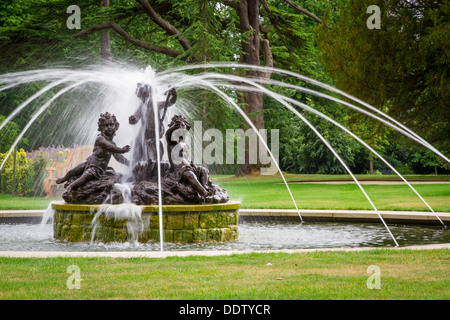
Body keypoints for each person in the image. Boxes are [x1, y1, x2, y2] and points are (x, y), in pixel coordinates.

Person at [56, 112, 131, 193]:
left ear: (116, 126)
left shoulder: (113, 144)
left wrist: (130, 163)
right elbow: (109, 147)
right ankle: (64, 178)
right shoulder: (100, 139)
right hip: (90, 161)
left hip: (97, 168)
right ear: (101, 127)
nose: (109, 127)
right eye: (106, 125)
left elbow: (119, 158)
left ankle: (71, 186)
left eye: (111, 125)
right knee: (74, 170)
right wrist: (122, 150)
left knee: (86, 176)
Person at [129, 83, 177, 163]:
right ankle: (136, 162)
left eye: (145, 96)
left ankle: (154, 161)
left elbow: (170, 102)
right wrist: (132, 119)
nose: (143, 99)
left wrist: (174, 95)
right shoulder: (142, 107)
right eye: (142, 97)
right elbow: (136, 117)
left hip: (155, 131)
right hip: (144, 132)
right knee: (136, 143)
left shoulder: (157, 105)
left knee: (153, 151)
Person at [165, 115, 211, 197]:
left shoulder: (183, 143)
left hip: (189, 164)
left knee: (204, 170)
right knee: (189, 174)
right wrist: (178, 124)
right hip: (178, 167)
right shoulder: (171, 141)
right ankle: (203, 192)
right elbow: (170, 131)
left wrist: (184, 125)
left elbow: (186, 128)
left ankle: (205, 186)